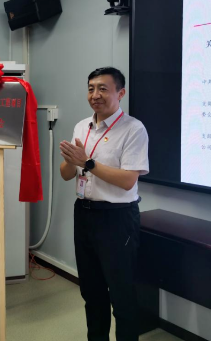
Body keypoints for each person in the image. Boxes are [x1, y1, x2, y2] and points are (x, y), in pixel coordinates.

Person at [59, 67, 149, 341]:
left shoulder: (133, 129)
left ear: (120, 93)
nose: (95, 95)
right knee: (91, 291)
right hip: (84, 214)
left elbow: (127, 181)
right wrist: (71, 160)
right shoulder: (81, 126)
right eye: (91, 89)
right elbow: (66, 174)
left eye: (102, 89)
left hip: (117, 218)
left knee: (122, 295)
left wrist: (87, 162)